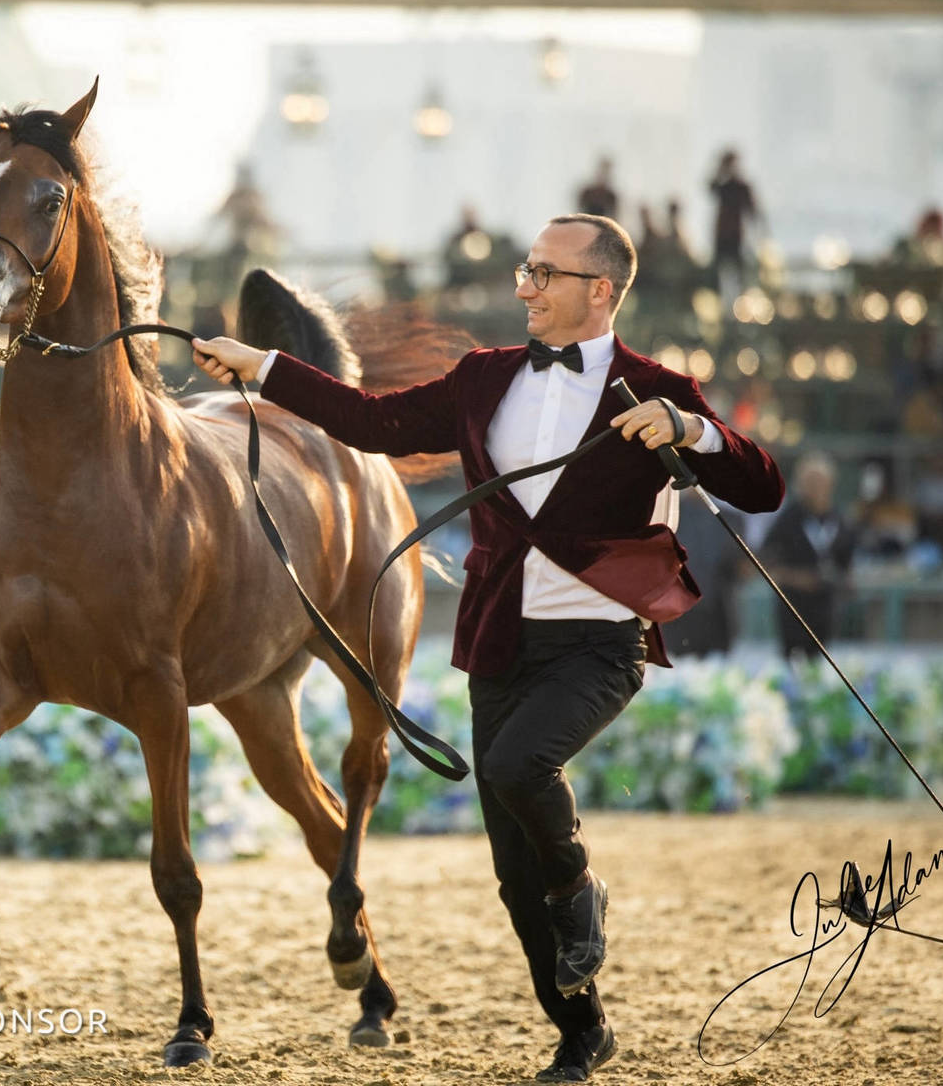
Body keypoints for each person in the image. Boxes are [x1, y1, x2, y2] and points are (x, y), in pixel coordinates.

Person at [192, 214, 783, 1082]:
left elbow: (761, 485)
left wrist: (691, 430)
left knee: (517, 766)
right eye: (525, 270)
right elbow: (371, 421)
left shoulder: (657, 389)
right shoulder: (485, 378)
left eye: (545, 273)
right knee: (512, 874)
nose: (526, 287)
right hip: (499, 638)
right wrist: (265, 367)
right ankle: (581, 1030)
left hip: (600, 645)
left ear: (600, 290)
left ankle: (579, 888)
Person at [755, 453, 856, 661]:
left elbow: (846, 561)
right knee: (794, 659)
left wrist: (843, 580)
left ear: (831, 484)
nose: (815, 488)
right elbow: (765, 558)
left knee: (822, 659)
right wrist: (793, 577)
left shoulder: (839, 519)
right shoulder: (788, 519)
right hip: (793, 605)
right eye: (809, 482)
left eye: (820, 481)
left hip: (827, 604)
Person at [707, 150, 759, 294]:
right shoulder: (723, 187)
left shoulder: (741, 187)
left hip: (735, 236)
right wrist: (720, 171)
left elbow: (752, 211)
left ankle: (742, 299)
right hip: (722, 235)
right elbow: (710, 187)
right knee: (718, 273)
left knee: (739, 273)